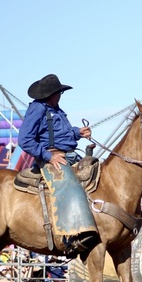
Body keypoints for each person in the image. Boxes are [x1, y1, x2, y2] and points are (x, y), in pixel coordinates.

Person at [18, 74, 98, 258]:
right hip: (51, 157)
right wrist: (48, 156)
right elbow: (24, 140)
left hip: (69, 154)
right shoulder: (37, 109)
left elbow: (61, 133)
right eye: (59, 93)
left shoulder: (56, 109)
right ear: (53, 94)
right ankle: (71, 236)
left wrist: (78, 132)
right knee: (69, 184)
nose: (60, 95)